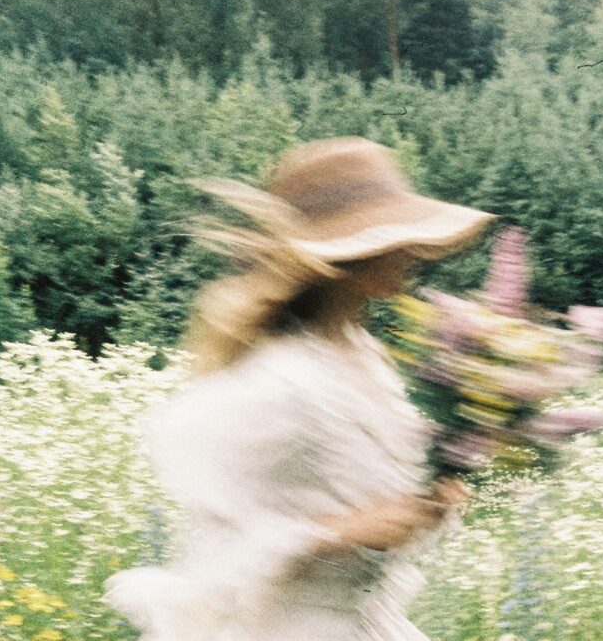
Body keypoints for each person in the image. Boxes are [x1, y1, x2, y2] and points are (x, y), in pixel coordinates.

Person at [102, 136, 497, 640]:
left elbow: (373, 510)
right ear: (349, 259)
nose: (412, 251)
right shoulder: (278, 377)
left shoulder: (366, 357)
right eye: (393, 235)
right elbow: (211, 559)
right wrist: (340, 533)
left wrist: (430, 503)